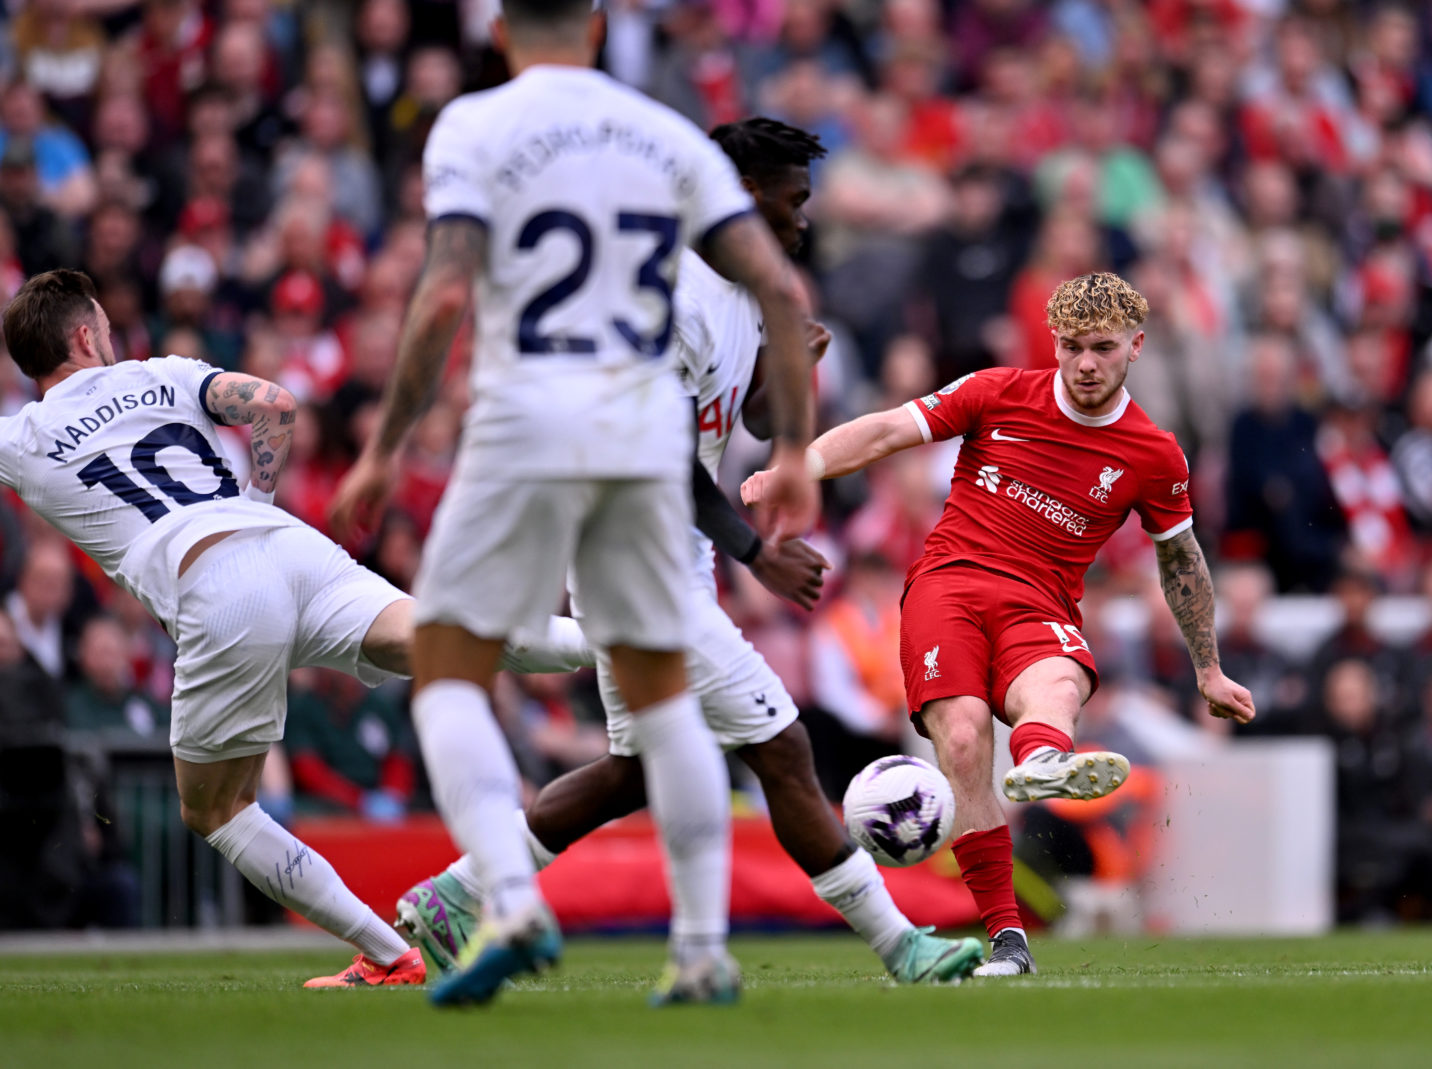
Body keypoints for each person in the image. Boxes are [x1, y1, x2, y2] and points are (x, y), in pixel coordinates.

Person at [393, 118, 985, 988]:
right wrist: (757, 552)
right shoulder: (666, 295)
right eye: (792, 202)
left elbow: (745, 425)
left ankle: (455, 895)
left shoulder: (748, 289)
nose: (803, 220)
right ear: (741, 195)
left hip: (666, 557)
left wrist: (797, 367)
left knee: (635, 771)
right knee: (781, 746)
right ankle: (903, 945)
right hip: (634, 555)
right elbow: (663, 452)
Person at [329, 0, 820, 1008]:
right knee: (664, 698)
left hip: (522, 423)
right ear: (598, 32)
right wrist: (804, 449)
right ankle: (697, 950)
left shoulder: (475, 124)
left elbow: (445, 294)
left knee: (450, 671)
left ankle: (504, 901)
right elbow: (776, 285)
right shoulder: (665, 135)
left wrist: (383, 450)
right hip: (640, 439)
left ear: (503, 32)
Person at [0, 269, 589, 986]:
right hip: (286, 544)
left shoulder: (16, 436)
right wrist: (255, 499)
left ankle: (390, 954)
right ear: (83, 335)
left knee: (215, 809)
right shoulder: (162, 373)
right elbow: (275, 405)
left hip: (212, 583)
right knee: (443, 637)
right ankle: (628, 646)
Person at [744, 272, 1256, 974]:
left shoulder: (1154, 453)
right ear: (1053, 342)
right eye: (1072, 346)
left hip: (1042, 602)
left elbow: (1183, 562)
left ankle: (1043, 757)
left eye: (1103, 348)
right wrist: (798, 467)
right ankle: (1009, 939)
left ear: (1136, 345)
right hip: (948, 585)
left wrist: (1208, 666)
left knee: (1058, 684)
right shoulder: (998, 391)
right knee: (961, 738)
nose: (1085, 363)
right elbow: (893, 427)